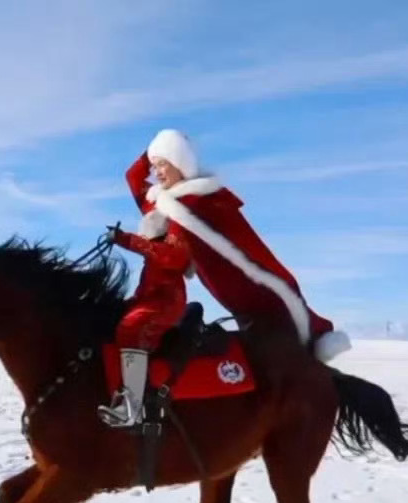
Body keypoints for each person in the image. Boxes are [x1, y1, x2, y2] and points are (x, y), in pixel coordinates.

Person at [121, 128, 351, 363]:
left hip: (241, 285)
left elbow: (179, 255)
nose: (156, 173)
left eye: (162, 165)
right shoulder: (164, 202)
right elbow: (133, 176)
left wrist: (128, 240)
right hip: (222, 289)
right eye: (154, 166)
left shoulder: (198, 202)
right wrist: (158, 146)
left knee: (278, 331)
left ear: (180, 164)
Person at [96, 202, 192, 428]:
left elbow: (163, 255)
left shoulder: (170, 250)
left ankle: (132, 408)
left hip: (167, 305)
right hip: (153, 302)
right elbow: (144, 291)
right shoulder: (152, 257)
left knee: (131, 327)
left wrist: (125, 239)